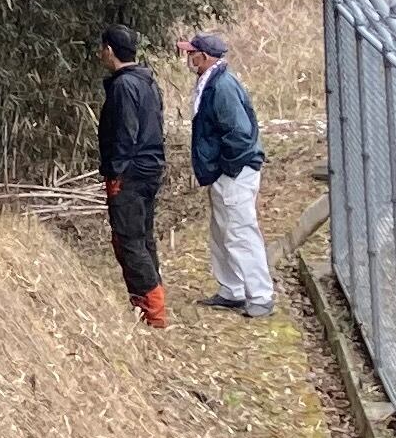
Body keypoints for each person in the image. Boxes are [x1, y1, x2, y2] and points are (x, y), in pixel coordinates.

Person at [187, 27, 274, 316]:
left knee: (240, 232)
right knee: (222, 232)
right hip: (226, 172)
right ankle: (232, 288)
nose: (189, 58)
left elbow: (239, 133)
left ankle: (260, 295)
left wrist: (227, 168)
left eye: (192, 53)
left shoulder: (222, 87)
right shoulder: (212, 83)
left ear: (204, 56)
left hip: (234, 172)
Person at [96, 24, 169, 328]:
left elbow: (126, 133)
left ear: (109, 51)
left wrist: (115, 171)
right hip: (150, 169)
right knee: (142, 237)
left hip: (131, 173)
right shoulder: (147, 81)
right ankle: (150, 302)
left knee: (128, 240)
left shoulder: (125, 86)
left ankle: (152, 311)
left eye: (101, 48)